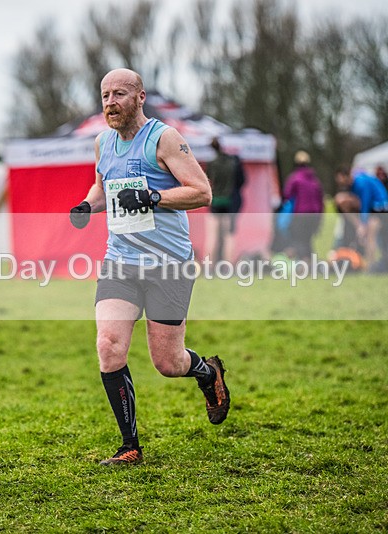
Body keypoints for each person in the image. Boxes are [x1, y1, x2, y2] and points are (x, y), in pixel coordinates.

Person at [68, 68, 230, 466]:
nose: (110, 103)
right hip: (120, 261)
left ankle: (207, 373)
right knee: (108, 346)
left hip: (168, 265)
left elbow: (202, 192)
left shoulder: (164, 138)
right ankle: (130, 446)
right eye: (105, 95)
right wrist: (88, 206)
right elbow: (103, 186)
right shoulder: (102, 143)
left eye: (119, 94)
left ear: (140, 97)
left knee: (168, 363)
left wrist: (153, 196)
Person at [334, 166, 388, 269]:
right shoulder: (353, 185)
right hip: (370, 210)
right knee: (341, 200)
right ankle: (365, 260)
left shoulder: (361, 184)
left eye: (342, 180)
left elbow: (366, 204)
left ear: (348, 177)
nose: (341, 184)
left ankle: (371, 264)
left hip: (379, 209)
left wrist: (363, 225)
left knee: (370, 235)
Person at [205, 137, 245, 262]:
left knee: (212, 236)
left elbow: (209, 182)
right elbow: (242, 182)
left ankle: (208, 267)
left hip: (216, 201)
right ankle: (228, 266)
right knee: (229, 236)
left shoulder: (212, 164)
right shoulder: (233, 163)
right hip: (231, 202)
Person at [281, 150, 323, 260]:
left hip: (301, 213)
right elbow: (320, 200)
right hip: (315, 215)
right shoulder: (315, 180)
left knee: (299, 239)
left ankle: (305, 263)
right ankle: (311, 264)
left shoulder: (295, 178)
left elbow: (287, 194)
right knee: (308, 239)